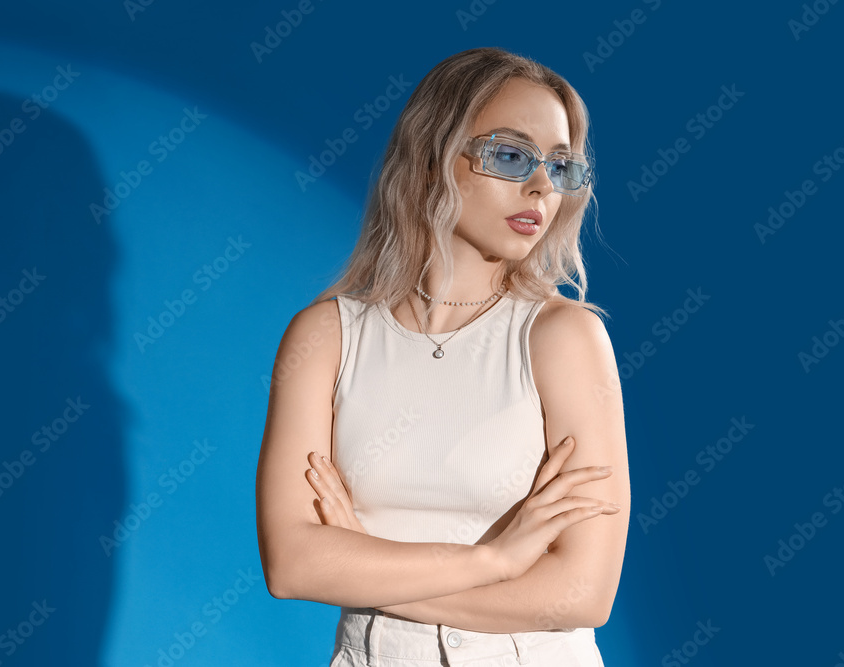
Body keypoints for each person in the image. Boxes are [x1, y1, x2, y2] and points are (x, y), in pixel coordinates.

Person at [255, 46, 630, 666]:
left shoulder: (566, 339)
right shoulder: (325, 337)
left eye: (561, 167)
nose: (541, 186)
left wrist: (363, 569)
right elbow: (294, 567)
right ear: (431, 161)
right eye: (510, 156)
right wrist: (495, 561)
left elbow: (581, 594)